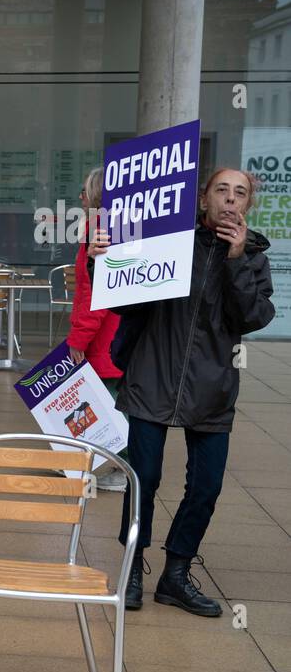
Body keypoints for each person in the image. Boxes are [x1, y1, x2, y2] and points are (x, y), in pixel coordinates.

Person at [92, 168, 274, 615]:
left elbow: (251, 316)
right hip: (153, 374)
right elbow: (123, 300)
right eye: (221, 190)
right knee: (144, 479)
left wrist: (234, 262)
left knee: (206, 487)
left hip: (213, 386)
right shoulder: (169, 244)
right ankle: (133, 568)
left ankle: (176, 573)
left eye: (240, 193)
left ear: (247, 205)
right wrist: (104, 260)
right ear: (203, 199)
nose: (230, 200)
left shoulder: (252, 257)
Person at [65, 166, 127, 493]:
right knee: (110, 403)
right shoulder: (112, 227)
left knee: (108, 407)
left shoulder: (100, 229)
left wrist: (79, 339)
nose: (80, 197)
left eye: (85, 191)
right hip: (113, 336)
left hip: (104, 341)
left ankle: (122, 470)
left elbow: (94, 293)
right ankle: (115, 466)